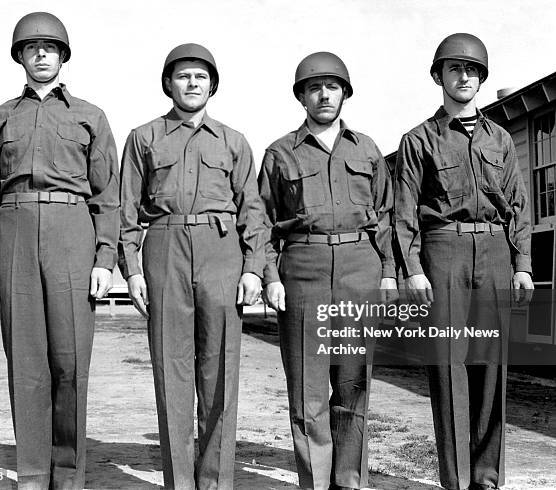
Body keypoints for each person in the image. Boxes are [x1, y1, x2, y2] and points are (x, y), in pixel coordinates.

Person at [0, 12, 119, 489]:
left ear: (62, 56)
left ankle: (68, 474)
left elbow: (108, 195)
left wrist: (104, 258)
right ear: (20, 57)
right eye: (31, 48)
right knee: (26, 361)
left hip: (72, 232)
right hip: (14, 230)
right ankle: (32, 474)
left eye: (49, 48)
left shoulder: (90, 116)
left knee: (71, 360)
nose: (40, 54)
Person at [118, 43, 264, 489]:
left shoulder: (234, 141)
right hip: (163, 246)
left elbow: (252, 210)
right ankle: (179, 482)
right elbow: (124, 210)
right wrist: (133, 270)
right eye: (183, 76)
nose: (192, 83)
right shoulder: (144, 138)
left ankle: (215, 481)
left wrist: (253, 268)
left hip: (222, 251)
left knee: (220, 369)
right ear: (169, 84)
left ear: (212, 85)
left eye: (201, 77)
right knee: (171, 367)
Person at [394, 33, 534, 490]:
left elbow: (518, 205)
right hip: (444, 253)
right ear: (439, 76)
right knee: (450, 366)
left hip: (494, 252)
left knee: (491, 366)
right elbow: (404, 211)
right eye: (454, 68)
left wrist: (522, 264)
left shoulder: (500, 139)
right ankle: (455, 481)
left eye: (472, 69)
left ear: (482, 77)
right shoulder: (419, 140)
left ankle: (487, 479)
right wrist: (413, 269)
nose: (464, 76)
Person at [259, 52, 397, 490]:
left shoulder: (368, 149)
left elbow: (387, 216)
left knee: (353, 383)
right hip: (304, 269)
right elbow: (262, 221)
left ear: (345, 94)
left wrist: (389, 274)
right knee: (308, 388)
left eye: (332, 86)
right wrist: (271, 276)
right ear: (301, 96)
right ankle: (316, 483)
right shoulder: (279, 153)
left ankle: (349, 481)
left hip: (360, 268)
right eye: (314, 87)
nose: (323, 94)